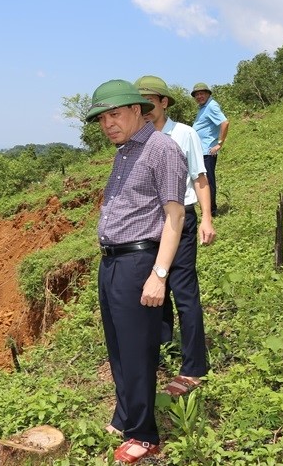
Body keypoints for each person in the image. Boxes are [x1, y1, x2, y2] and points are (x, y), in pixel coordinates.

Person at [85, 79, 187, 464]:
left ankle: (145, 435)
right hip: (111, 260)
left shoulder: (162, 149)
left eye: (114, 114)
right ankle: (126, 413)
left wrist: (159, 275)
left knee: (138, 350)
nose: (108, 124)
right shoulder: (125, 151)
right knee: (118, 346)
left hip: (139, 261)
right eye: (102, 119)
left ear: (136, 110)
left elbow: (174, 216)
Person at [135, 75, 215, 396]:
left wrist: (207, 218)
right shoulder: (136, 139)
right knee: (155, 288)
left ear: (164, 102)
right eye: (138, 105)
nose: (144, 110)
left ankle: (194, 366)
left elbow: (200, 178)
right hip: (149, 225)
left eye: (149, 103)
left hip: (180, 221)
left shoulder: (185, 134)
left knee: (184, 291)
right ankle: (162, 349)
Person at [190, 82, 228, 217]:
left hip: (208, 151)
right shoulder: (203, 107)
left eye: (202, 93)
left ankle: (211, 211)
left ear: (207, 94)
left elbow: (224, 122)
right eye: (197, 94)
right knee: (203, 180)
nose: (199, 96)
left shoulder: (211, 106)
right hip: (202, 151)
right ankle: (208, 209)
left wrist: (219, 143)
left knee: (208, 181)